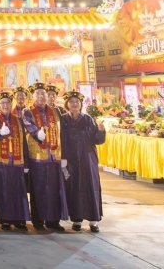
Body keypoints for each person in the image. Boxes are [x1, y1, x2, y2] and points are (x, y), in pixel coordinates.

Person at [22, 82, 69, 231]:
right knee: (38, 188)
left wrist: (64, 155)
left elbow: (63, 133)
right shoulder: (27, 111)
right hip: (37, 156)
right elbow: (29, 125)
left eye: (43, 93)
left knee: (55, 189)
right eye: (38, 94)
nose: (41, 96)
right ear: (33, 96)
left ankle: (53, 220)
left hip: (54, 156)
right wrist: (38, 134)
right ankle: (38, 220)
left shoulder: (56, 111)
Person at [61, 90, 106, 233]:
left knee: (90, 186)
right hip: (71, 159)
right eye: (71, 102)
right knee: (74, 187)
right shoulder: (63, 120)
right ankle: (76, 220)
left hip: (87, 158)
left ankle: (93, 220)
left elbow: (97, 140)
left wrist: (100, 131)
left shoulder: (88, 119)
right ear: (67, 105)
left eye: (77, 102)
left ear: (81, 104)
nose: (74, 104)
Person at [0, 91, 30, 230]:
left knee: (19, 190)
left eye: (7, 102)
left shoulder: (18, 120)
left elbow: (24, 141)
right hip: (1, 161)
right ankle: (5, 219)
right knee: (4, 190)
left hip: (17, 161)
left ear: (11, 104)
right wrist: (0, 133)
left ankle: (20, 218)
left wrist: (26, 163)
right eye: (2, 103)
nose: (5, 105)